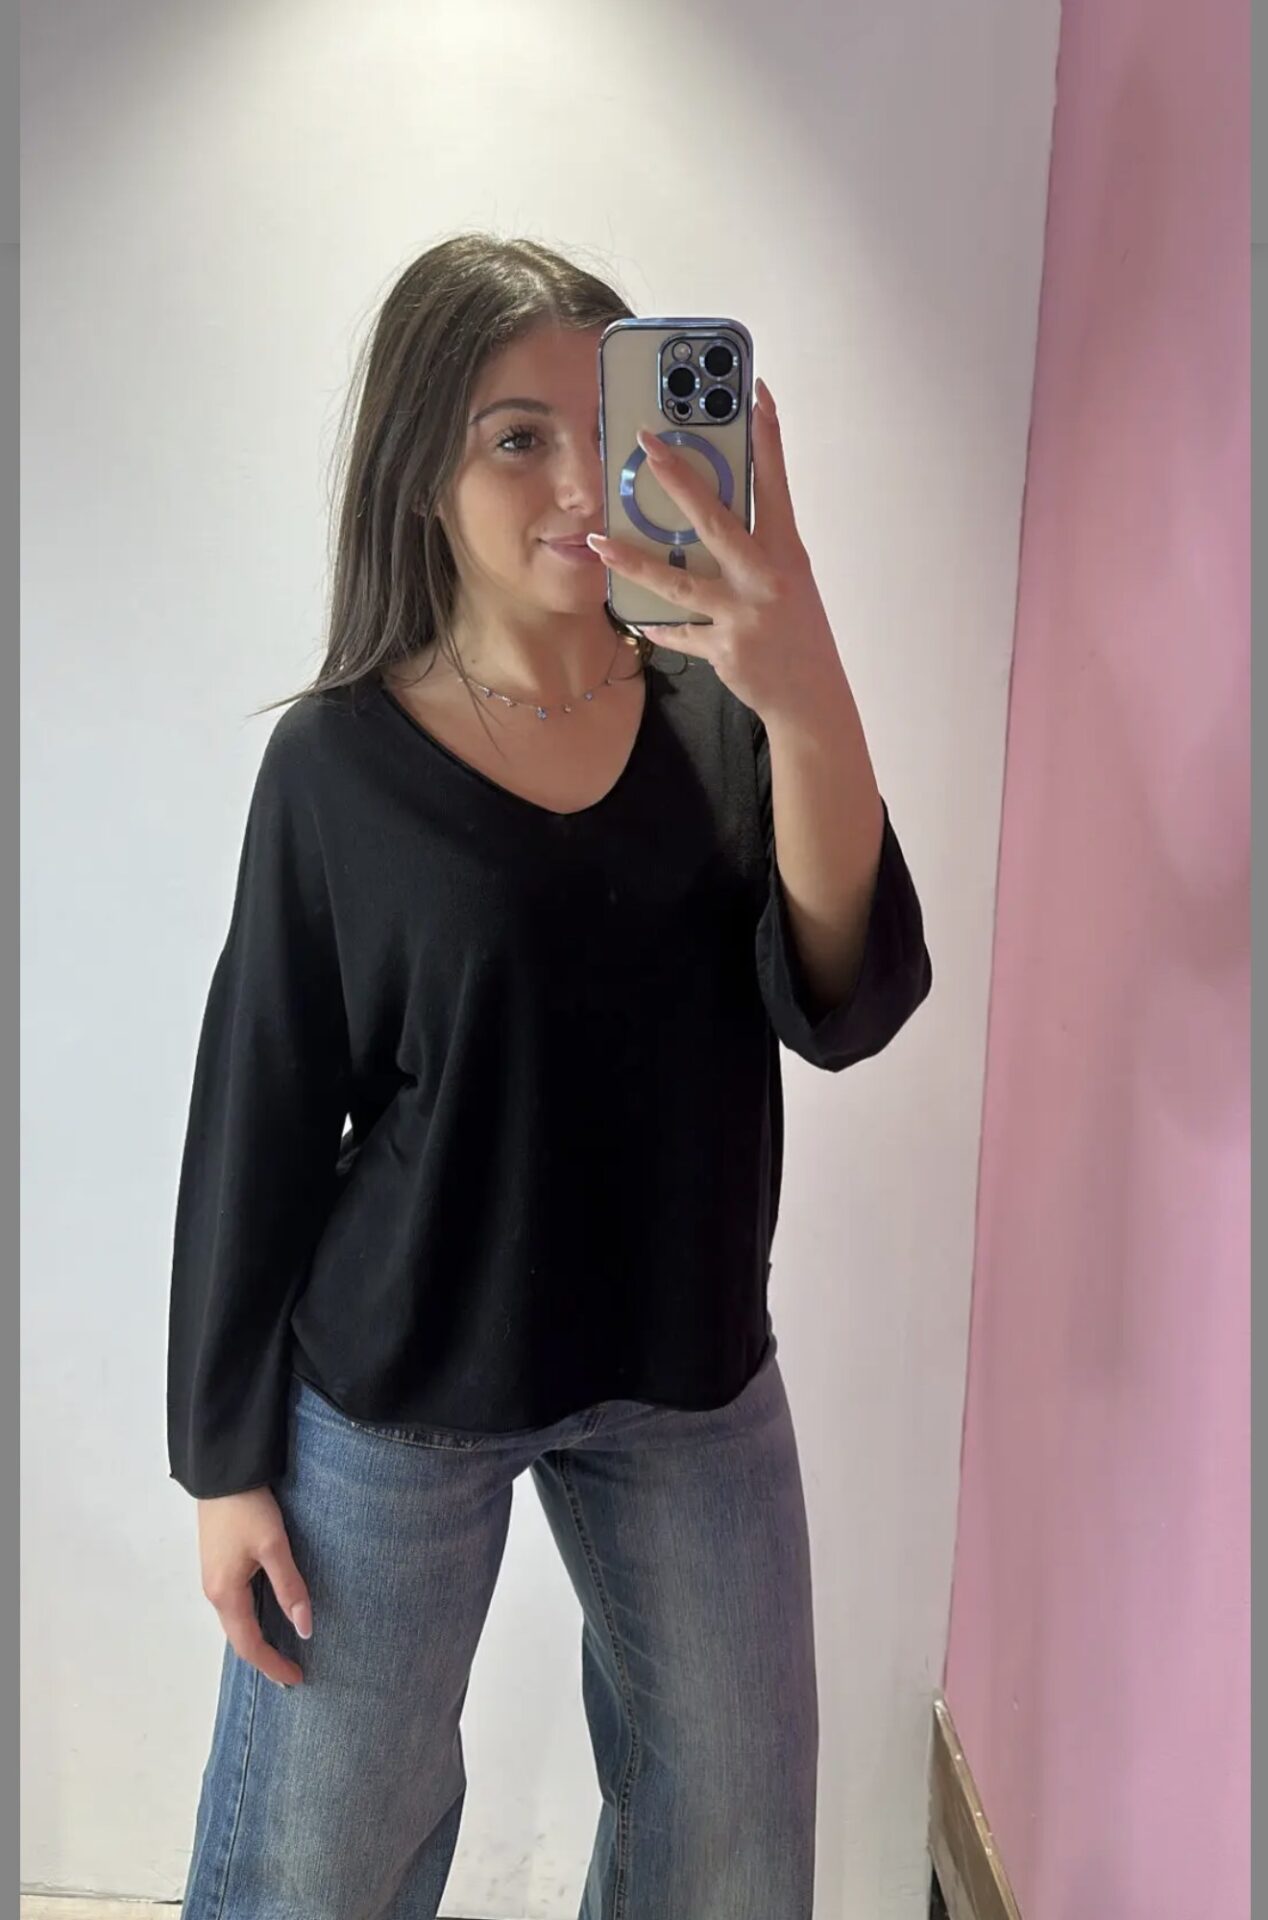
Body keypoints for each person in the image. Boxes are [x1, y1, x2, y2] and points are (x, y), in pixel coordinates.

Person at [167, 232, 933, 1919]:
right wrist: (224, 1460)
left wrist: (801, 673)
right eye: (519, 437)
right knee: (315, 1865)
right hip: (402, 1375)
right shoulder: (336, 762)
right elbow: (262, 1108)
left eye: (609, 426)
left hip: (684, 1366)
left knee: (734, 1853)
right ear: (421, 472)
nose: (584, 483)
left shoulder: (722, 716)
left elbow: (845, 995)